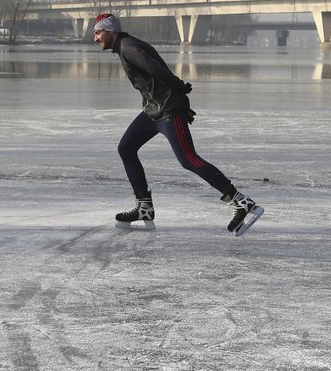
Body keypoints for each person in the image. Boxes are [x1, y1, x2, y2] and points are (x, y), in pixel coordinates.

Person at [92, 13, 264, 236]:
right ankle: (144, 206)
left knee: (189, 160)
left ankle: (241, 202)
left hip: (168, 111)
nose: (95, 38)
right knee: (126, 147)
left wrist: (181, 91)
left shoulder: (129, 48)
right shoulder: (125, 47)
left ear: (110, 31)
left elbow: (157, 70)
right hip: (153, 110)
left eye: (97, 33)